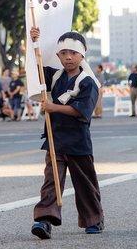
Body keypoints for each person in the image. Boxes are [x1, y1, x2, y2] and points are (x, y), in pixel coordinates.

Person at [30, 27, 104, 239]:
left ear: (82, 55)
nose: (69, 57)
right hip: (56, 138)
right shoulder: (55, 76)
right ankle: (44, 220)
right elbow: (33, 66)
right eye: (64, 53)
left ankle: (94, 219)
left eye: (73, 53)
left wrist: (53, 107)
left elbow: (82, 111)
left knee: (85, 183)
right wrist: (34, 42)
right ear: (58, 55)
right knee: (51, 181)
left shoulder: (88, 82)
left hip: (78, 141)